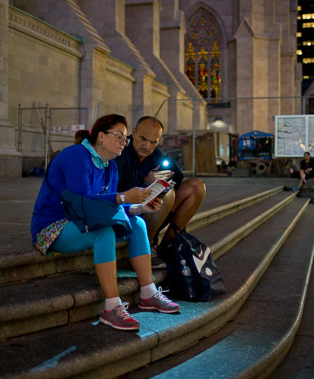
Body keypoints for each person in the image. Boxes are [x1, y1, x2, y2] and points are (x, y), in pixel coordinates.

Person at [31, 114, 180, 331]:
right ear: (101, 136)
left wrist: (138, 207)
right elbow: (81, 201)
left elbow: (107, 206)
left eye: (124, 138)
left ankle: (148, 293)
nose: (123, 141)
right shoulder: (76, 156)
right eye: (119, 136)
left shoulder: (110, 166)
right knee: (104, 233)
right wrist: (124, 197)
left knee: (138, 223)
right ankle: (111, 308)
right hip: (55, 225)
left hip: (83, 221)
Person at [114, 116, 206, 268]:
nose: (147, 146)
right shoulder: (120, 151)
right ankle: (144, 248)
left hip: (152, 211)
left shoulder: (156, 155)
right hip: (125, 211)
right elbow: (115, 191)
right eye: (143, 139)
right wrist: (146, 183)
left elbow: (178, 175)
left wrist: (165, 177)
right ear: (134, 132)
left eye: (153, 142)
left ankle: (169, 245)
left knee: (196, 186)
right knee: (166, 193)